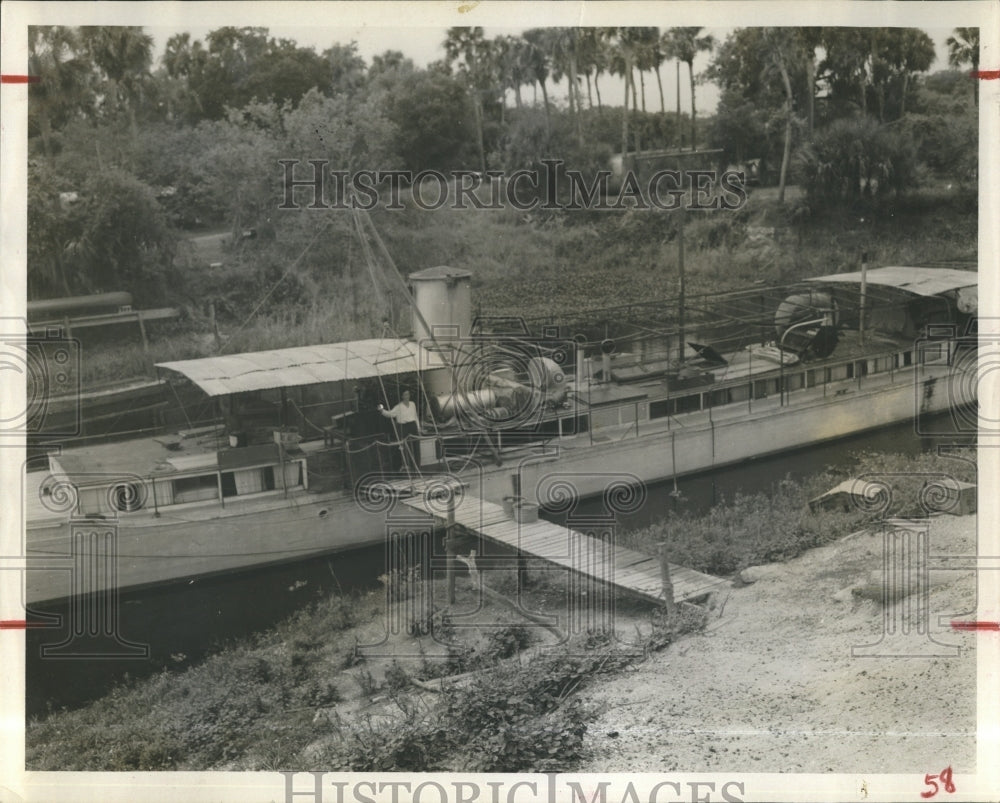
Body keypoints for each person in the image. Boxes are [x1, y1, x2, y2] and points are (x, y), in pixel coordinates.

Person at [379, 390, 420, 470]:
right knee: (405, 447)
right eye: (405, 395)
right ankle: (408, 467)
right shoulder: (399, 406)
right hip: (404, 427)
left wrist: (418, 427)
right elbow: (390, 414)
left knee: (416, 447)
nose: (407, 396)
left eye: (408, 394)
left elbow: (415, 416)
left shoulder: (413, 404)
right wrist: (382, 410)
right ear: (402, 396)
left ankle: (417, 467)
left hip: (413, 426)